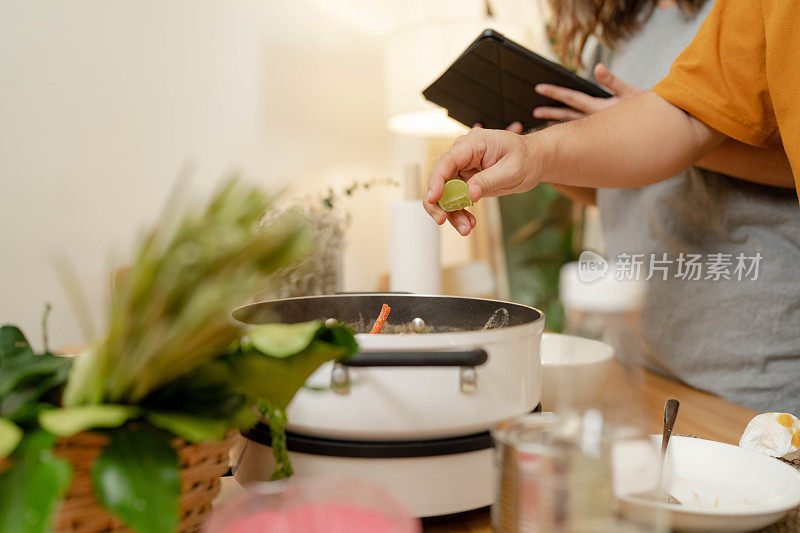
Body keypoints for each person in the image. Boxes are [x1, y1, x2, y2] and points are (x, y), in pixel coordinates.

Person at [424, 0, 800, 413]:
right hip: (646, 350)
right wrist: (533, 159)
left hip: (753, 356)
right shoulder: (616, 34)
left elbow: (694, 129)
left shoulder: (746, 12)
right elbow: (613, 189)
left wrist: (657, 124)